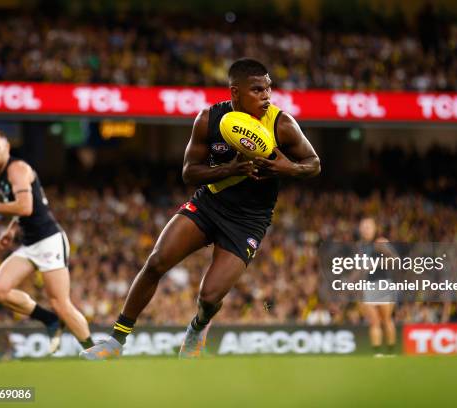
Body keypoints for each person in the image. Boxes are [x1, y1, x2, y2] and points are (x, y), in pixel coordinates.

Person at [80, 58, 320, 360]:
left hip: (248, 221)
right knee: (156, 262)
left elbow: (314, 165)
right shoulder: (208, 119)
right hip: (209, 203)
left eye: (268, 89)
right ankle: (115, 342)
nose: (266, 96)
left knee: (209, 297)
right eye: (257, 90)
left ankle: (197, 328)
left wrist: (291, 168)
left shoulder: (281, 124)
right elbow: (188, 172)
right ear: (235, 92)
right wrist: (230, 170)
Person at [0, 130, 93, 353]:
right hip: (30, 243)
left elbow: (26, 206)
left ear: (7, 147)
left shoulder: (17, 169)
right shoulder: (0, 176)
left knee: (61, 303)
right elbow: (21, 210)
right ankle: (49, 320)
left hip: (49, 241)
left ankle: (94, 351)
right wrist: (11, 229)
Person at [357, 217, 397, 356]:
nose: (365, 229)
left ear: (374, 228)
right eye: (363, 227)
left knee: (386, 319)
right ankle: (377, 353)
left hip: (382, 283)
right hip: (368, 285)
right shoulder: (361, 246)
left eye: (368, 227)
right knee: (374, 322)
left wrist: (380, 261)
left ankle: (391, 351)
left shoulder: (380, 243)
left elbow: (395, 261)